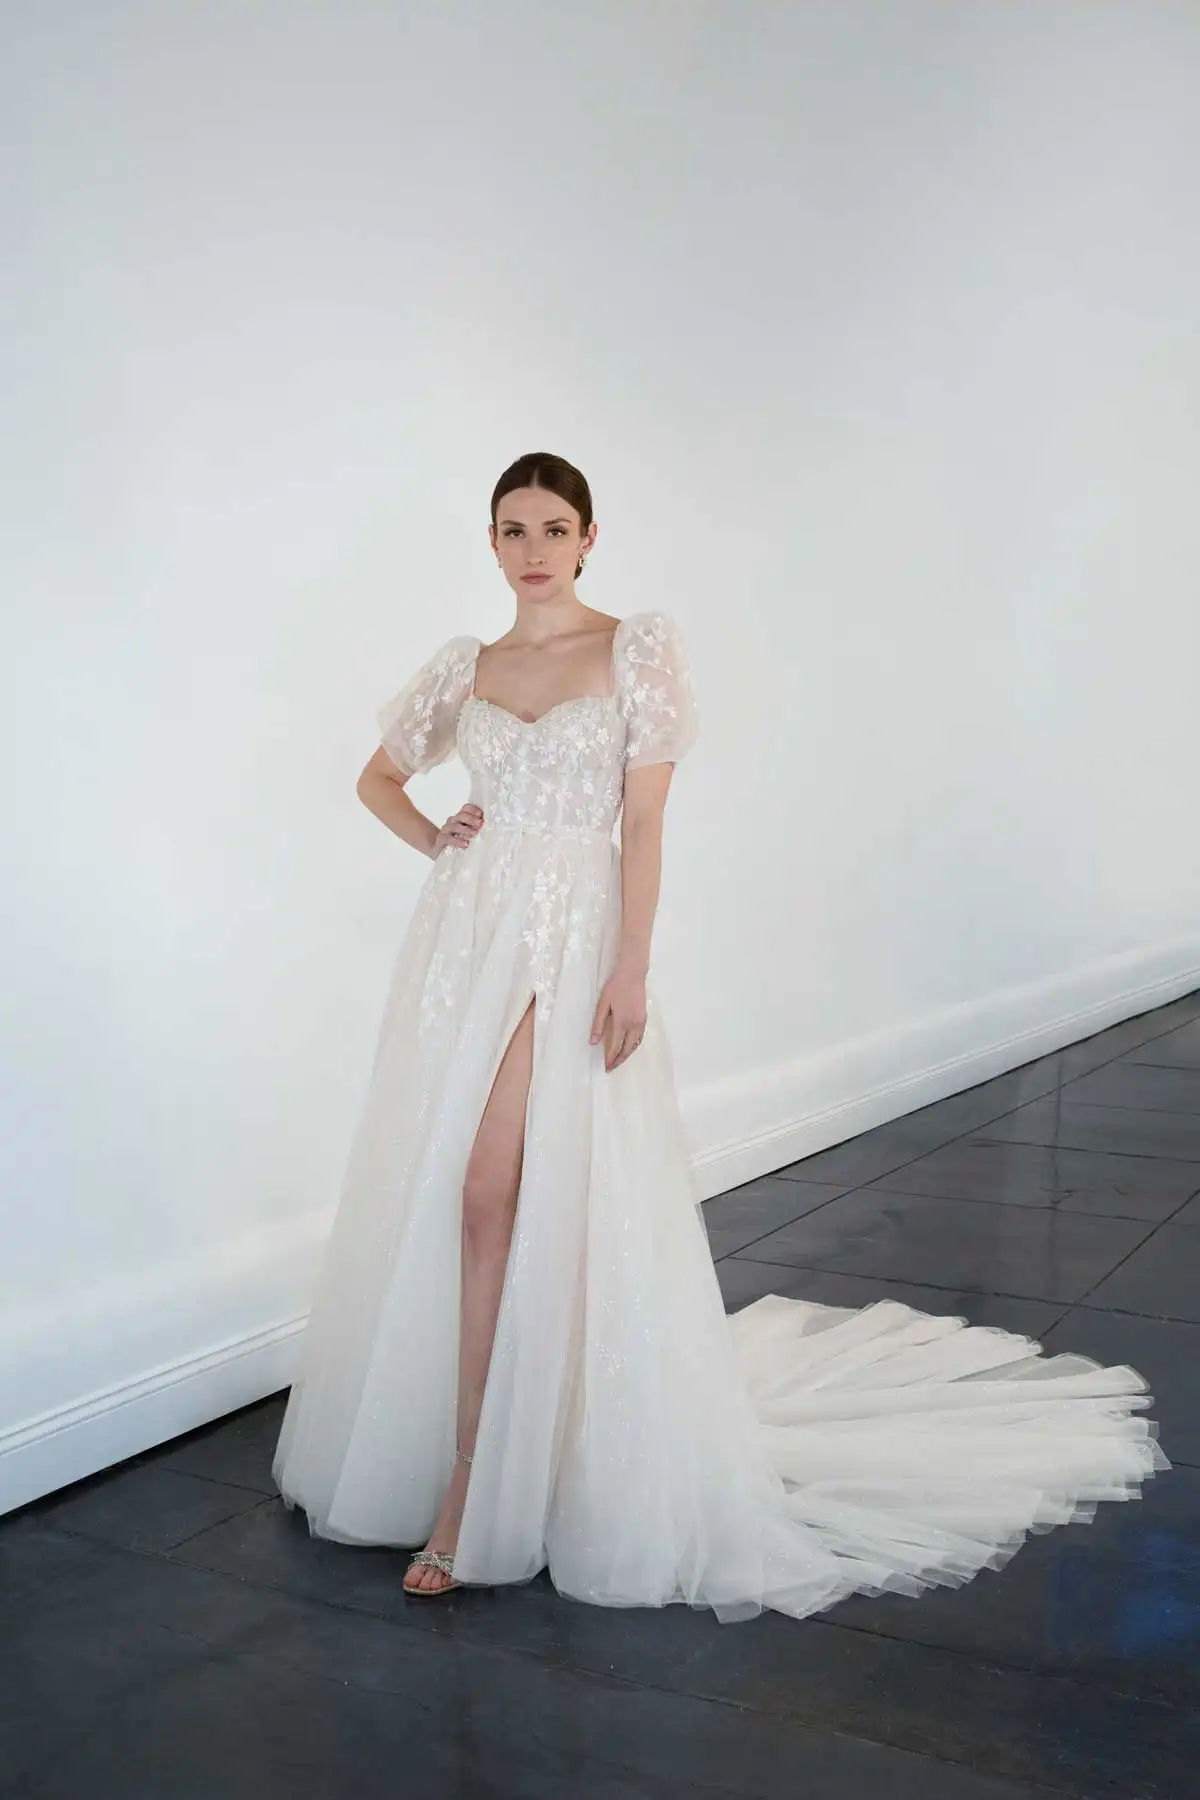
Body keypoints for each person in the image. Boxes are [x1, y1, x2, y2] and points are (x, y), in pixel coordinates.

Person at [272, 450, 1167, 1619]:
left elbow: (643, 823)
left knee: (502, 1188)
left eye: (553, 528)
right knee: (471, 1195)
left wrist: (631, 965)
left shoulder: (633, 648)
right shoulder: (468, 664)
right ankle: (482, 1453)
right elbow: (378, 778)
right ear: (490, 543)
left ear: (589, 538)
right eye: (512, 530)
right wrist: (439, 836)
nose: (533, 550)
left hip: (573, 933)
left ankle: (477, 1484)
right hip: (468, 939)